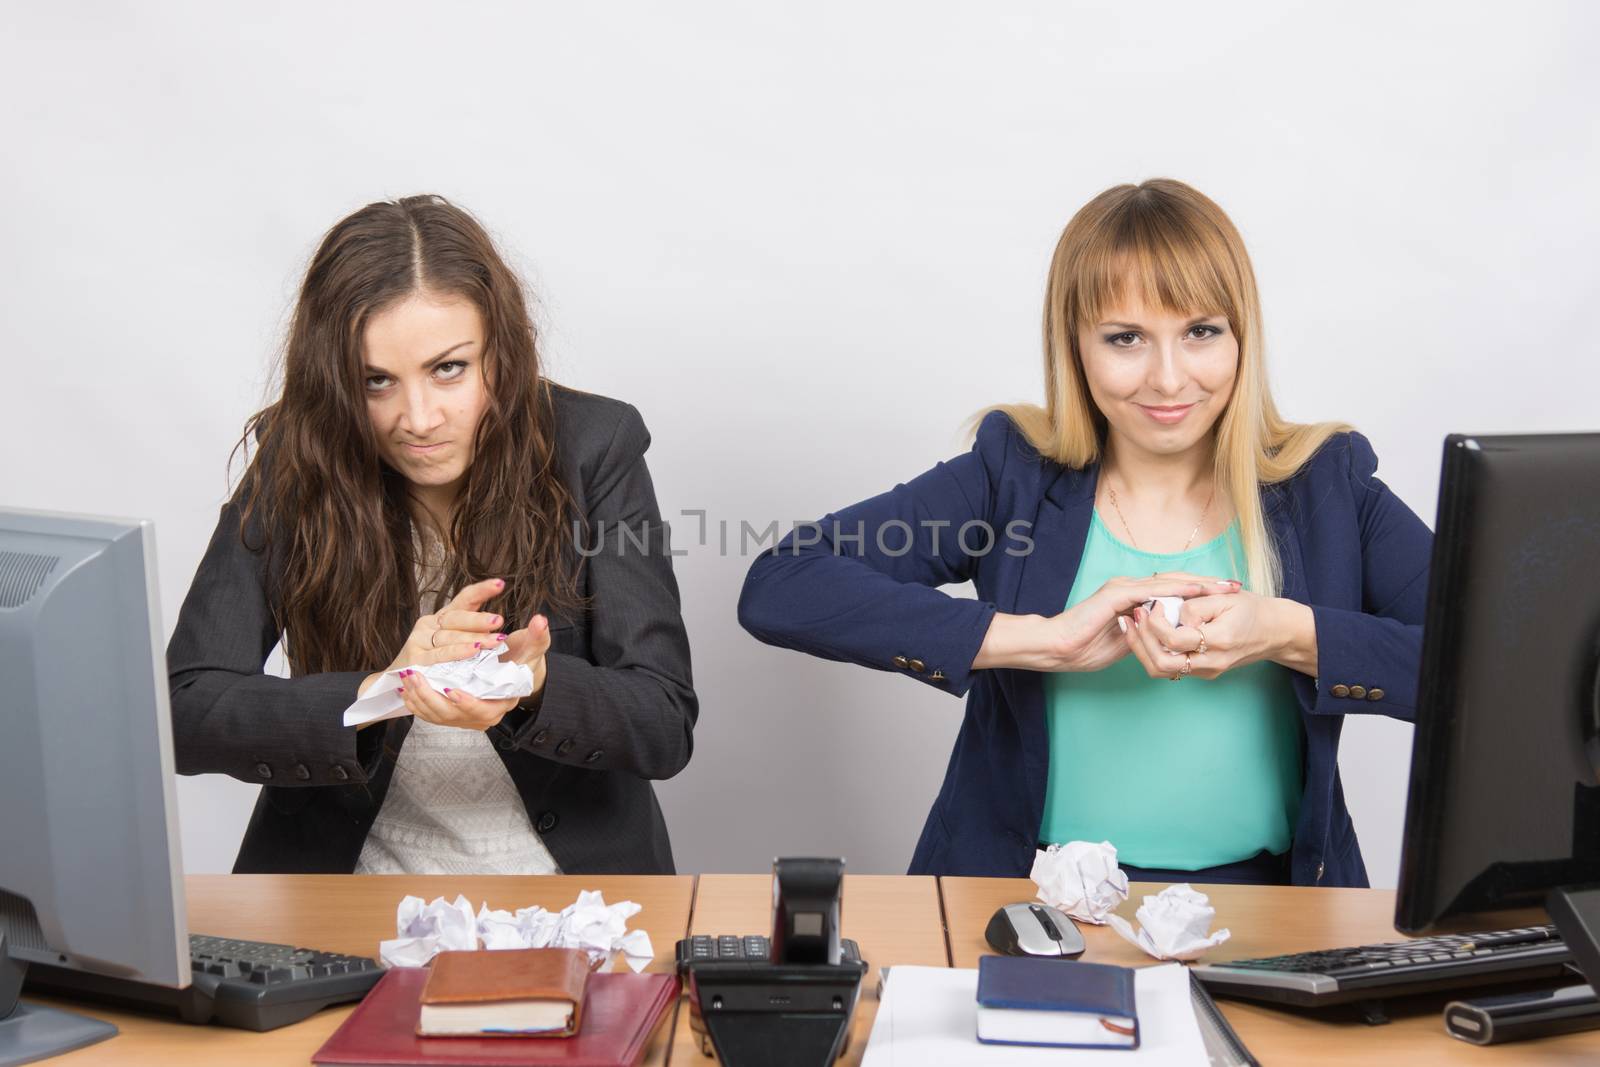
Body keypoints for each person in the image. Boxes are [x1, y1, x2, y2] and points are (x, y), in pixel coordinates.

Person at [738, 179, 1429, 887]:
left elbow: (1491, 661)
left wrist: (1288, 633)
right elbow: (784, 581)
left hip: (1273, 909)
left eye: (1200, 331)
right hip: (1028, 900)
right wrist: (1042, 640)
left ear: (1241, 335)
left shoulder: (1325, 488)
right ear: (1075, 346)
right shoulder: (1014, 477)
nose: (1168, 378)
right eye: (1125, 338)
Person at [168, 195, 696, 875]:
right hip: (352, 893)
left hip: (570, 893)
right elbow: (185, 709)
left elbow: (662, 718)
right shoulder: (296, 459)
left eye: (449, 368)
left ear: (500, 355)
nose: (416, 418)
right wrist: (375, 693)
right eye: (375, 381)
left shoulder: (595, 447)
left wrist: (534, 685)